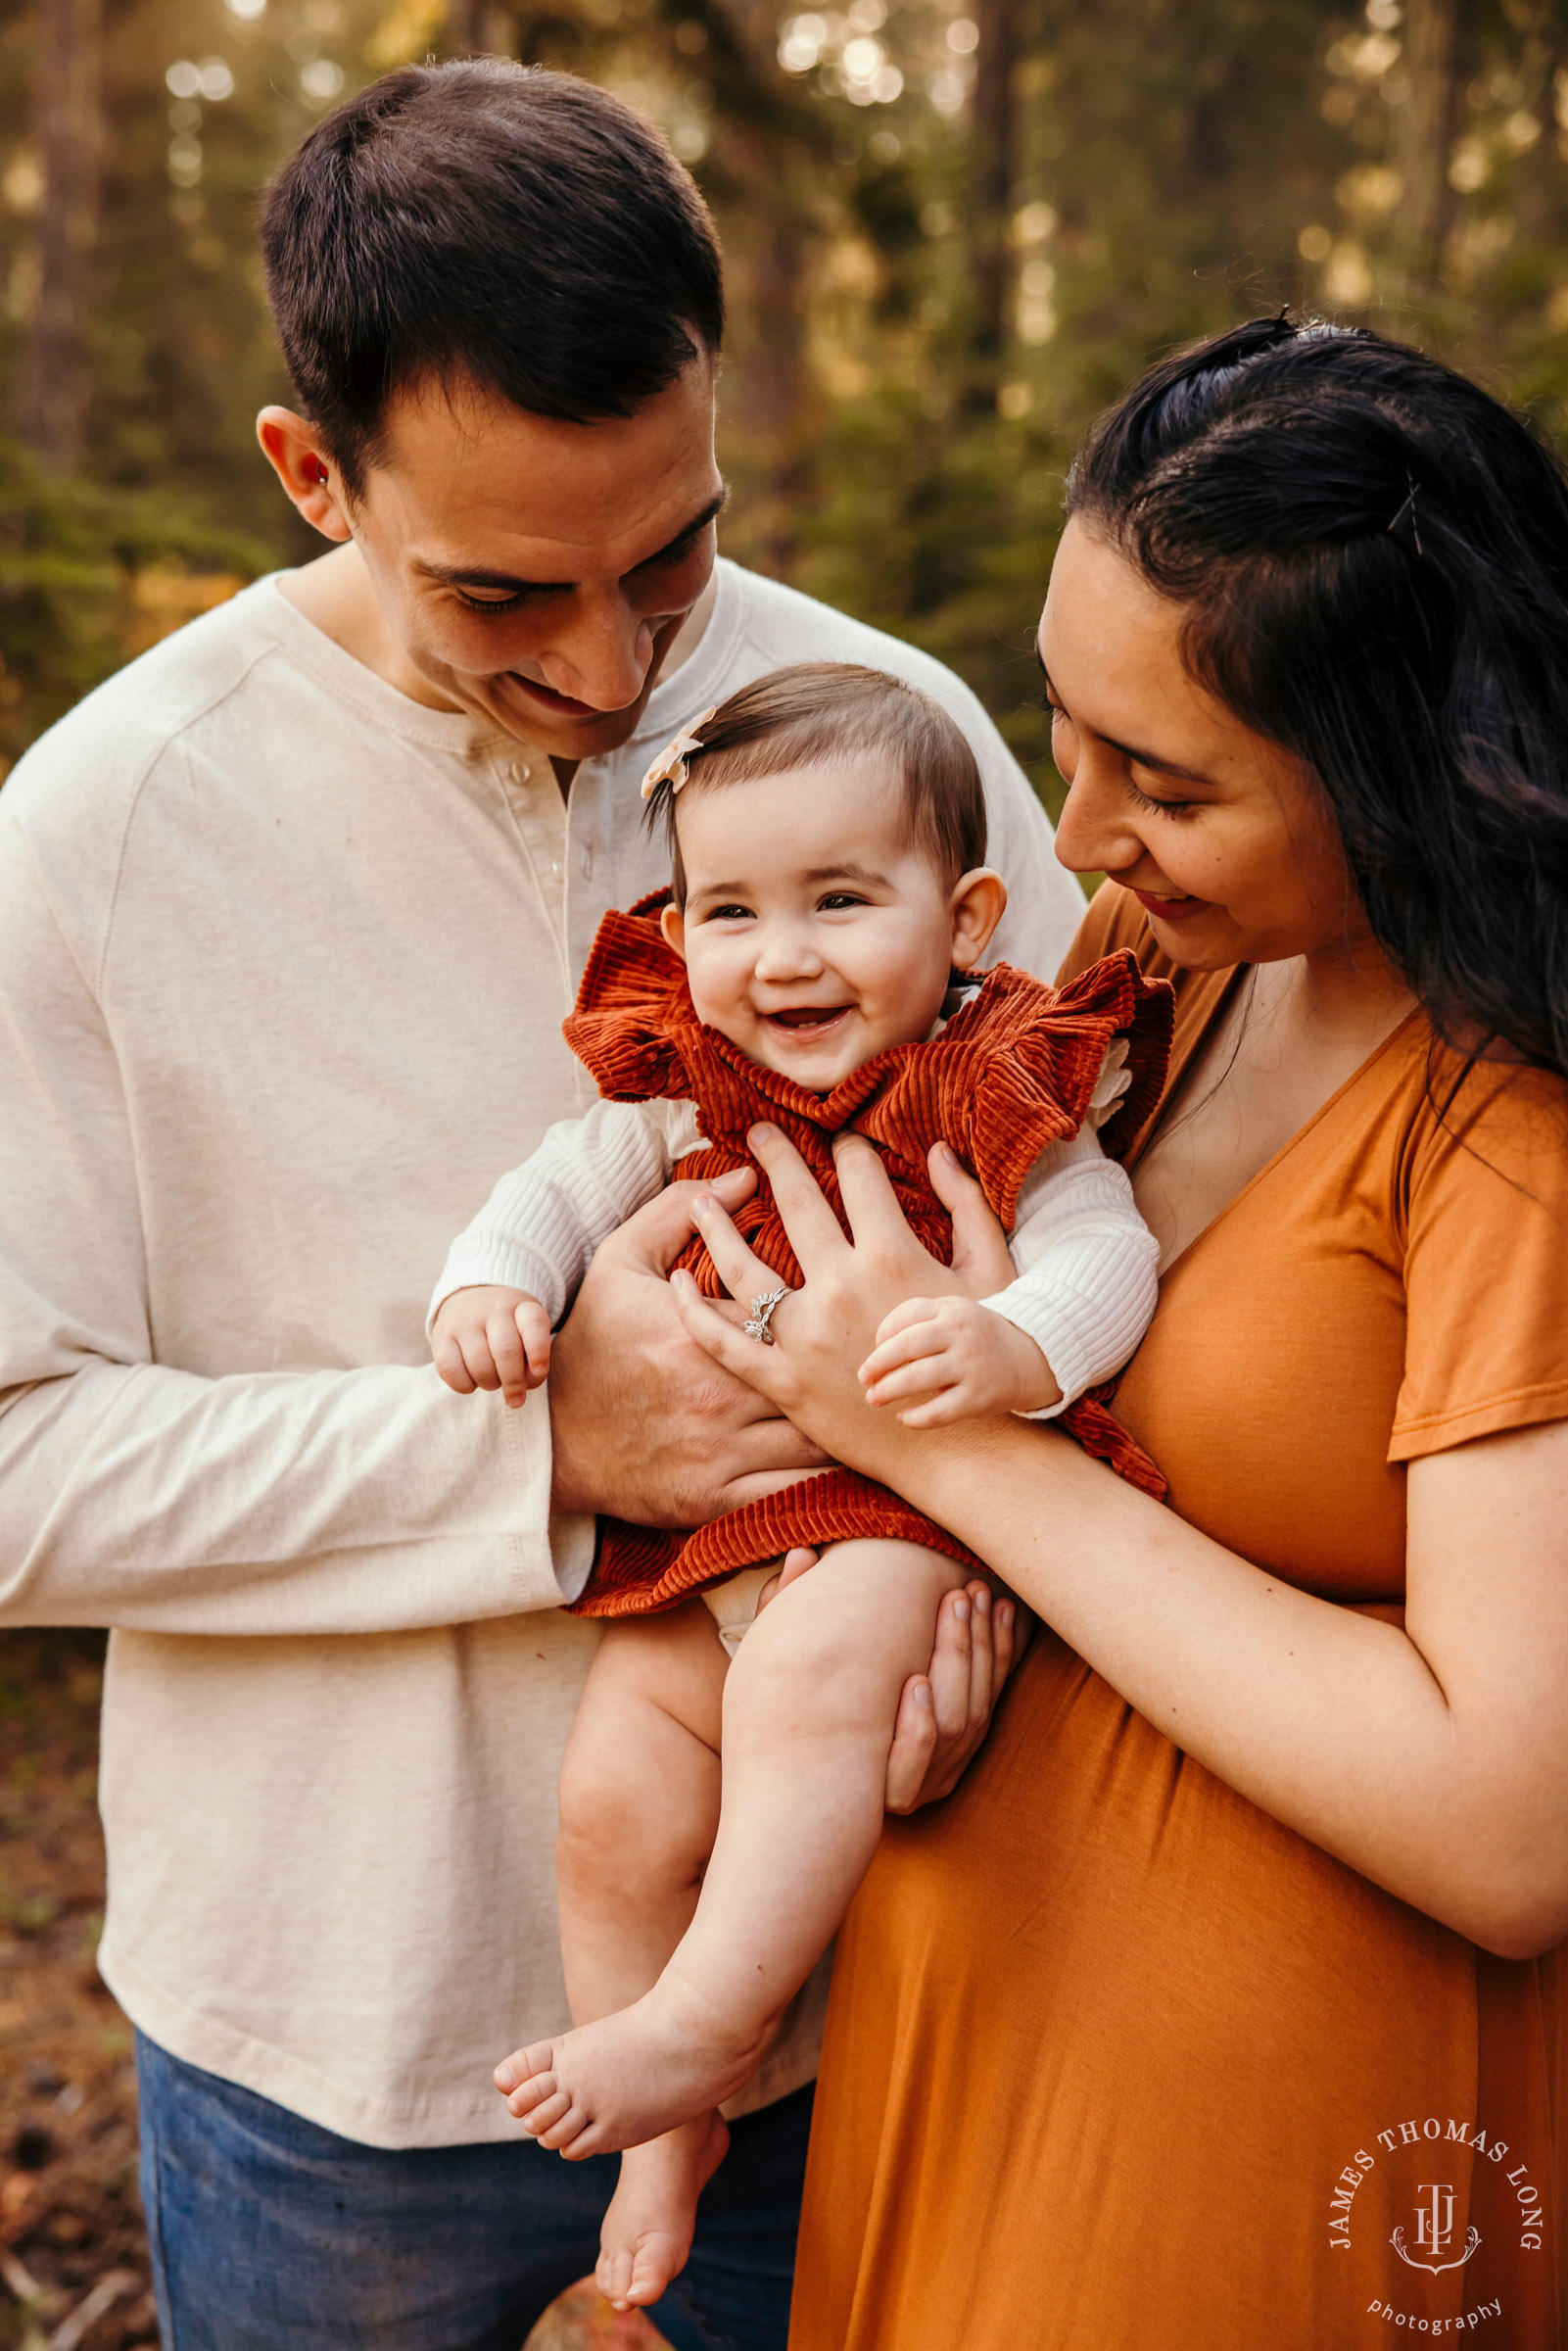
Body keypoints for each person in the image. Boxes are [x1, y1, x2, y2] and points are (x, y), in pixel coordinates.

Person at [0, 61, 1085, 2351]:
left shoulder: (887, 721)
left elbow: (1090, 1220)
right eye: (507, 588)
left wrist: (990, 1588)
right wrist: (538, 1446)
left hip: (862, 1973)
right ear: (312, 474)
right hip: (339, 2040)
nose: (614, 672)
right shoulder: (97, 829)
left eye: (670, 555)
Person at [668, 316, 1568, 2350]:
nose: (1071, 832)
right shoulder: (1152, 970)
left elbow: (1513, 1822)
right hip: (963, 2058)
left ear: (1409, 766)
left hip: (1259, 2183)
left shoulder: (1511, 1123)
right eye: (1063, 731)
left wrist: (952, 1458)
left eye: (1160, 778)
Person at [425, 660, 1168, 2311]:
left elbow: (1103, 1246)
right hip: (726, 1537)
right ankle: (661, 2125)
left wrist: (1022, 1350)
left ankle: (705, 2021)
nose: (783, 955)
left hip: (914, 1514)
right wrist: (485, 1286)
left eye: (840, 899)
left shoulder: (990, 1086)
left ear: (966, 916)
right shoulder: (687, 1085)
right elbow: (553, 1191)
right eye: (731, 911)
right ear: (678, 926)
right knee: (614, 1782)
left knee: (814, 1691)